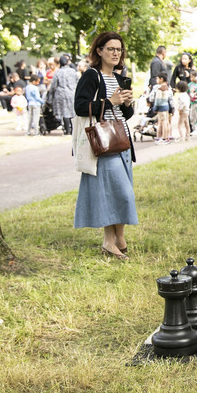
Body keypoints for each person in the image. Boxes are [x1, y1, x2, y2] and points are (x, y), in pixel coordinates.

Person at [73, 32, 136, 260]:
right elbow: (80, 107)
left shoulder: (120, 78)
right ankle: (109, 241)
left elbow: (124, 114)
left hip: (123, 141)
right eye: (110, 49)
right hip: (104, 143)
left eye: (118, 49)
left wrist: (127, 104)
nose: (115, 53)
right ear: (99, 50)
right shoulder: (92, 76)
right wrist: (110, 101)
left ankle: (119, 237)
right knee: (117, 192)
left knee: (122, 193)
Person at [49, 55, 78, 134]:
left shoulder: (58, 72)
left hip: (61, 94)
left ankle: (67, 130)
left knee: (65, 112)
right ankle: (73, 129)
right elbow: (77, 81)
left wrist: (50, 93)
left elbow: (54, 85)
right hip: (72, 93)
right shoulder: (73, 71)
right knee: (72, 112)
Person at [151, 73, 173, 144]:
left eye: (157, 78)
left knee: (161, 123)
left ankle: (163, 138)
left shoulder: (160, 89)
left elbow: (158, 100)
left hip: (161, 108)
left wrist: (155, 108)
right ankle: (164, 137)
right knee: (165, 122)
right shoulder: (167, 88)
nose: (156, 80)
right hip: (166, 107)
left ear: (161, 79)